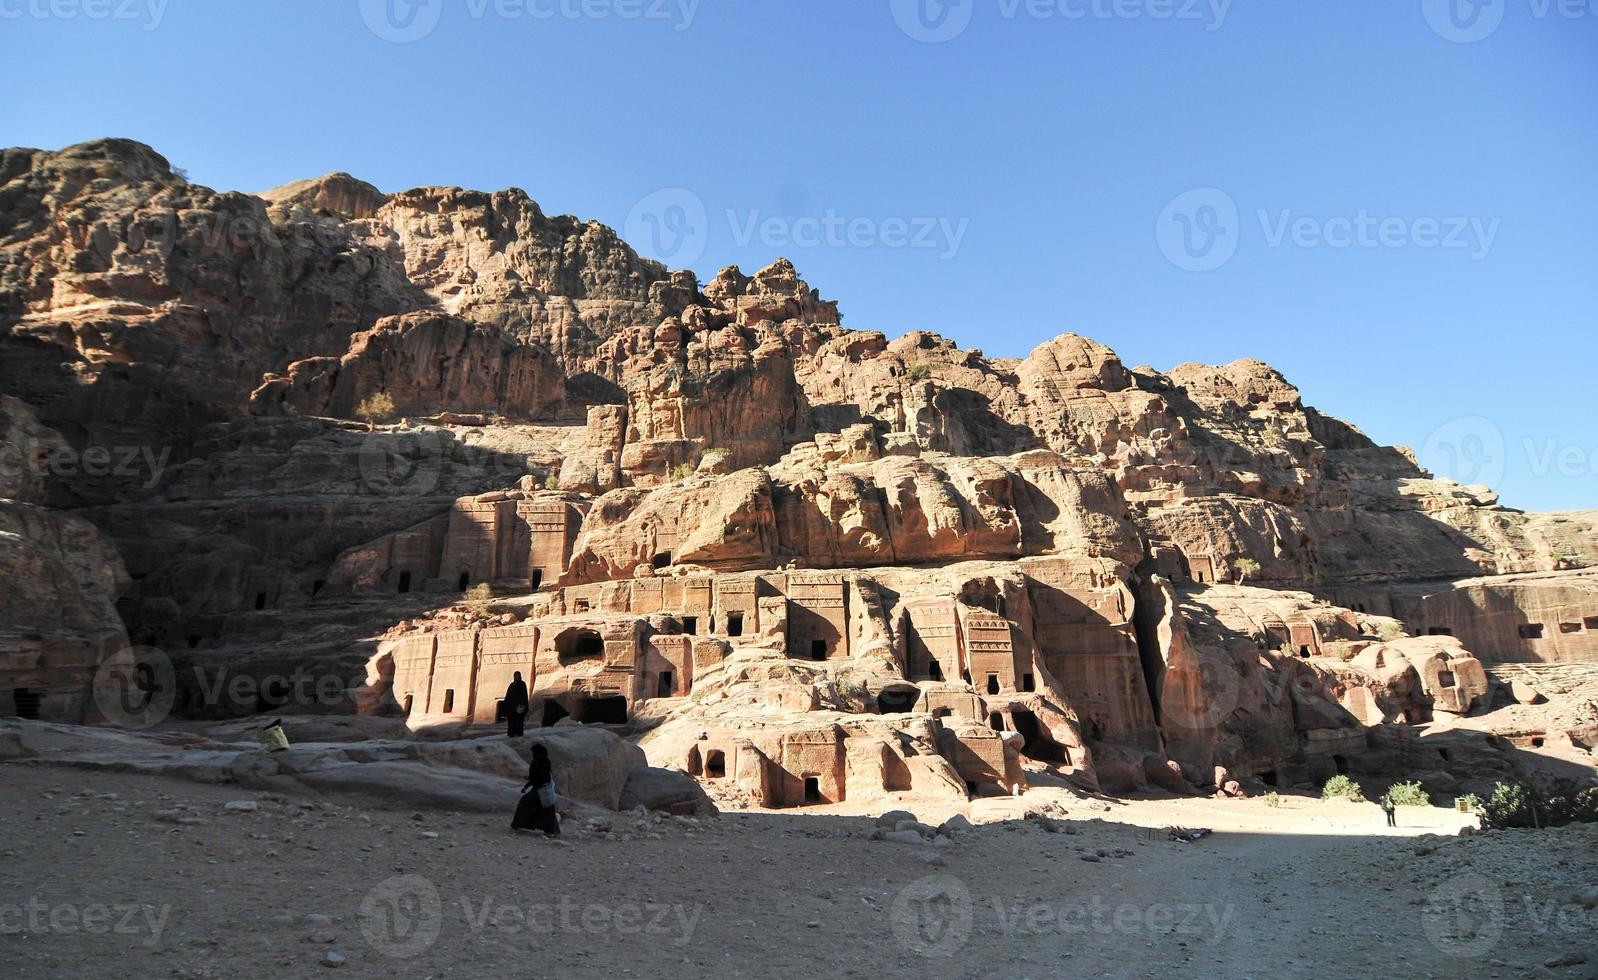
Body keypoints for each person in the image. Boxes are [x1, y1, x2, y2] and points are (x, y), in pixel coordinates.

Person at [511, 744, 560, 836]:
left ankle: (517, 825)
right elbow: (539, 775)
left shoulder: (538, 761)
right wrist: (529, 781)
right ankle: (551, 830)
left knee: (525, 804)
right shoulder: (545, 760)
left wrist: (528, 783)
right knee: (547, 809)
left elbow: (540, 776)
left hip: (539, 789)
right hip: (541, 788)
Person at [502, 672, 529, 738]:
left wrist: (524, 705)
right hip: (511, 706)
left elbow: (524, 695)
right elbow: (508, 695)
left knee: (519, 721)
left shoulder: (522, 684)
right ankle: (511, 733)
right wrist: (506, 705)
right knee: (511, 721)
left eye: (518, 675)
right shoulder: (511, 685)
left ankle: (519, 733)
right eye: (515, 676)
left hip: (519, 706)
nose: (516, 677)